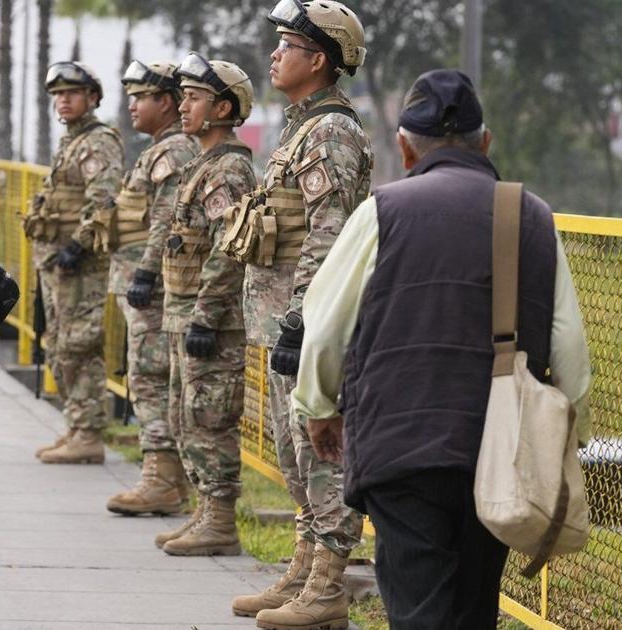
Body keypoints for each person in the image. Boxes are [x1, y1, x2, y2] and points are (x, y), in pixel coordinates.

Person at [293, 69, 593, 629]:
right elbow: (570, 345)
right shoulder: (531, 216)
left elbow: (326, 324)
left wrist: (318, 406)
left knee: (418, 606)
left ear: (405, 149)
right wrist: (569, 435)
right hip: (497, 448)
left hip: (397, 446)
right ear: (486, 143)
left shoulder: (382, 211)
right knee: (474, 606)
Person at [226, 2, 372, 626]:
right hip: (285, 319)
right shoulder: (300, 127)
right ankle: (304, 566)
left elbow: (328, 233)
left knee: (319, 452)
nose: (275, 54)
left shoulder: (331, 131)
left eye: (287, 44)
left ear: (319, 59)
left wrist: (301, 319)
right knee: (293, 454)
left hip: (307, 325)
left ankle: (330, 585)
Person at [153, 53, 256, 557]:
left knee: (209, 417)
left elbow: (227, 247)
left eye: (194, 98)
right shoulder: (204, 163)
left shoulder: (229, 169)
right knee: (186, 415)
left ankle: (219, 519)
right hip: (186, 312)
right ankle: (204, 512)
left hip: (209, 319)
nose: (183, 105)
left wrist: (206, 315)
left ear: (223, 108)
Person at [103, 61, 201, 516]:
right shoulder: (160, 149)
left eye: (141, 97)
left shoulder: (173, 151)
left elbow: (165, 219)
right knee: (146, 375)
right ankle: (166, 479)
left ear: (165, 101)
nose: (132, 106)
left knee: (149, 377)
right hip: (142, 284)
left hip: (154, 290)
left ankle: (161, 478)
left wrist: (146, 274)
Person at [23, 62, 123, 464]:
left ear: (93, 98)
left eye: (72, 93)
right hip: (58, 262)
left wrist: (78, 246)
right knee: (61, 343)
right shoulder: (72, 141)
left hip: (79, 264)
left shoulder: (98, 141)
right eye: (58, 95)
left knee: (79, 345)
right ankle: (76, 425)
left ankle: (89, 433)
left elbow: (103, 199)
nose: (63, 100)